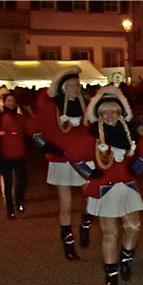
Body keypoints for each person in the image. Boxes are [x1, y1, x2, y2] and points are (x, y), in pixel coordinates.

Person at [74, 86, 143, 285]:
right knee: (110, 233)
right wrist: (90, 174)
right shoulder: (92, 135)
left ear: (120, 113)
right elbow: (74, 156)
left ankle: (126, 256)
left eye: (113, 111)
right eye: (104, 112)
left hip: (127, 186)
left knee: (133, 226)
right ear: (99, 114)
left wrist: (136, 169)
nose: (109, 116)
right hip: (104, 189)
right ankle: (111, 273)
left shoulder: (131, 133)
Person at [31, 67, 93, 260]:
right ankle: (68, 244)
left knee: (93, 197)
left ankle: (85, 223)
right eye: (71, 85)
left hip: (83, 158)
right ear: (64, 87)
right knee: (65, 205)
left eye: (77, 84)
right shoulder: (54, 107)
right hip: (62, 160)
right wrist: (47, 147)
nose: (76, 88)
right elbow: (34, 128)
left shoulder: (87, 105)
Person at [0, 92, 29, 219]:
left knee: (22, 180)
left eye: (12, 101)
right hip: (4, 154)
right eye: (8, 101)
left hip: (20, 153)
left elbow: (27, 133)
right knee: (8, 182)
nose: (10, 103)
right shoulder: (1, 117)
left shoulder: (21, 118)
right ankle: (10, 209)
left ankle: (19, 200)